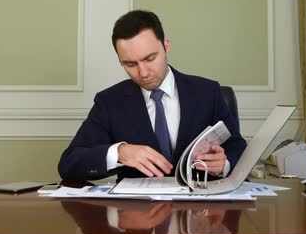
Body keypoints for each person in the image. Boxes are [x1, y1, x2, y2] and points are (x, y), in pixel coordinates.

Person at [58, 10, 246, 181]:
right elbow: (69, 164)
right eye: (130, 64)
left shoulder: (208, 92)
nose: (143, 72)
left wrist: (224, 163)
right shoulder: (109, 102)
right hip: (138, 213)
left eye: (150, 59)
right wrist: (120, 152)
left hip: (200, 211)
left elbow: (237, 146)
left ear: (166, 46)